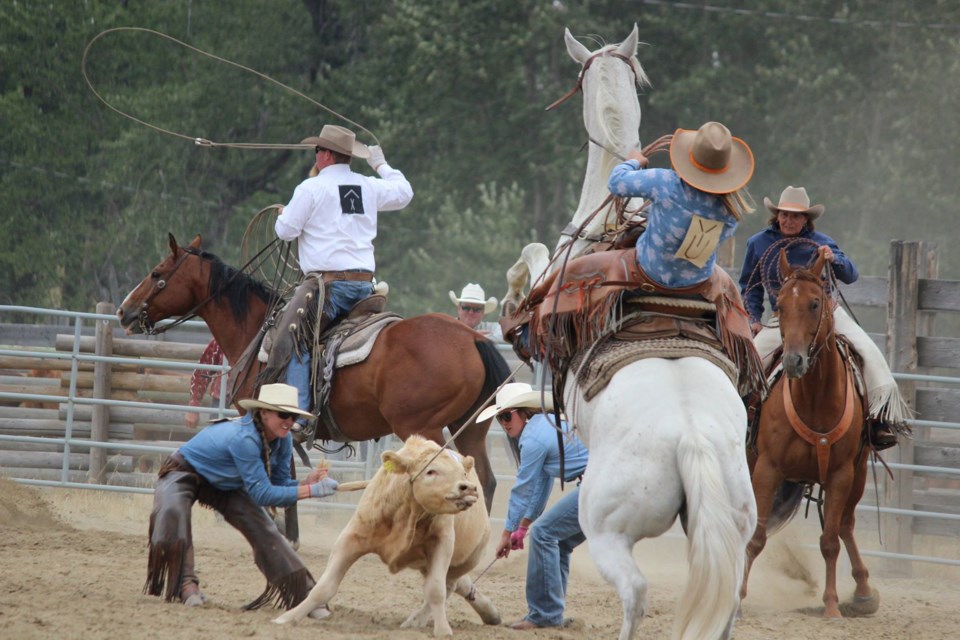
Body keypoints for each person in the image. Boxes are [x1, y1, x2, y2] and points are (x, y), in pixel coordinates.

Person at [145, 383, 339, 616]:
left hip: (227, 484)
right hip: (185, 470)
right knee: (172, 513)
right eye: (283, 414)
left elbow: (276, 486)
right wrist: (312, 491)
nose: (289, 421)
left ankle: (304, 595)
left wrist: (307, 484)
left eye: (293, 416)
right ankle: (185, 585)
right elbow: (263, 494)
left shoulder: (283, 439)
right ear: (264, 412)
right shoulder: (245, 439)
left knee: (265, 528)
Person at [738, 185, 909, 450]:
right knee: (748, 363)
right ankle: (742, 420)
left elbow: (850, 275)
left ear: (806, 219)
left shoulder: (822, 241)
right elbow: (750, 287)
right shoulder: (758, 244)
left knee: (868, 351)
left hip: (826, 313)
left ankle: (879, 420)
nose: (789, 220)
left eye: (796, 216)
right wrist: (754, 319)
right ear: (777, 215)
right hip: (783, 317)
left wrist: (835, 259)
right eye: (784, 214)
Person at [268, 124, 414, 415]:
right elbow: (404, 193)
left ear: (327, 156)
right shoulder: (367, 186)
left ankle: (298, 414)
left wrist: (286, 214)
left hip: (327, 289)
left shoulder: (310, 188)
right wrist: (381, 164)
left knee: (294, 335)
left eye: (318, 150)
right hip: (364, 288)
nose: (315, 155)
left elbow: (285, 231)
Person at [478, 383, 589, 630]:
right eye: (499, 418)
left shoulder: (532, 438)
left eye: (507, 415)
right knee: (556, 540)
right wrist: (523, 527)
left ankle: (545, 615)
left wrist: (507, 533)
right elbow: (540, 485)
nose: (504, 423)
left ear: (524, 412)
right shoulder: (546, 426)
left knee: (545, 534)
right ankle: (551, 613)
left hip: (597, 484)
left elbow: (523, 489)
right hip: (601, 481)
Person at [608, 121, 754, 289]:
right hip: (697, 281)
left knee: (587, 267)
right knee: (732, 295)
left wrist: (633, 162)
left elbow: (615, 182)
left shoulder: (665, 182)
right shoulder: (732, 210)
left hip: (651, 269)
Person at [184, 338, 224, 429]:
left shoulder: (259, 337)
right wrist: (194, 406)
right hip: (222, 399)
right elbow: (202, 371)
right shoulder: (222, 339)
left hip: (250, 401)